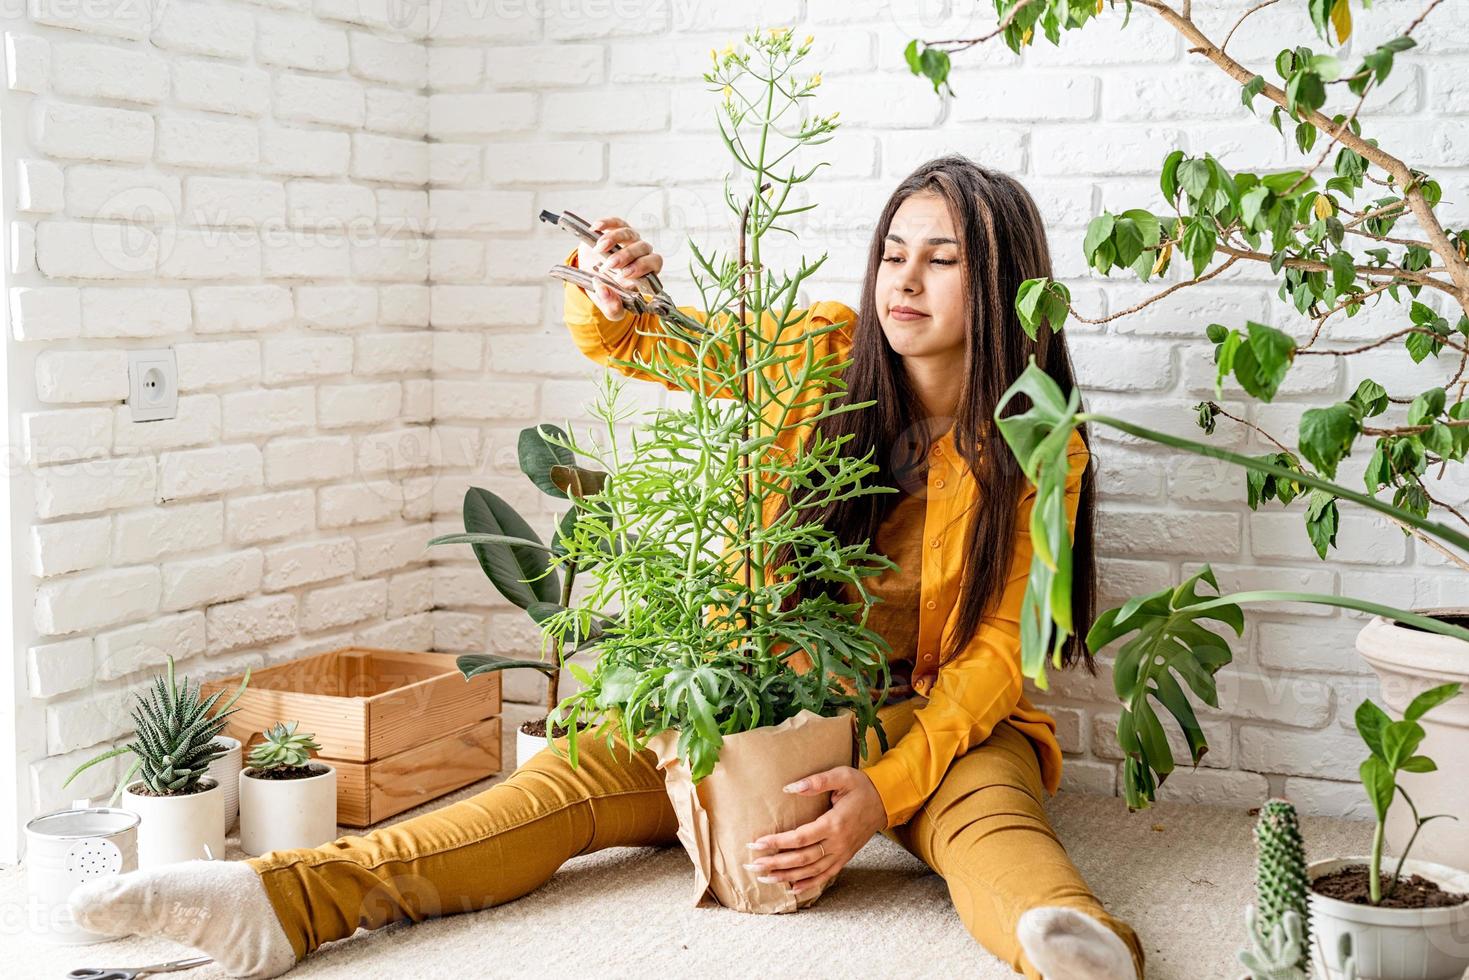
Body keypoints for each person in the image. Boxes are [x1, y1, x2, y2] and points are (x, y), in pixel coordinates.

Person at [69, 155, 1143, 980]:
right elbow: (651, 346)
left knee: (991, 822)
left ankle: (1079, 947)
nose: (900, 279)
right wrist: (613, 288)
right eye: (891, 250)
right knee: (560, 781)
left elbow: (1000, 652)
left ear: (999, 281)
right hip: (758, 692)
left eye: (940, 258)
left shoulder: (1040, 443)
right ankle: (282, 903)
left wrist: (881, 790)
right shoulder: (822, 351)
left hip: (933, 717)